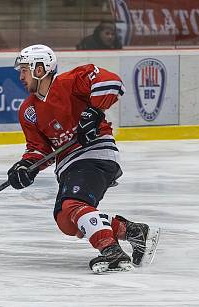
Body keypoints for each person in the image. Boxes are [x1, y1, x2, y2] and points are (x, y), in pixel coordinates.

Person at [9, 44, 155, 273]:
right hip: (69, 164)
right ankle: (133, 231)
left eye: (24, 70)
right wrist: (27, 166)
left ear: (40, 69)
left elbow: (112, 82)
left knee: (72, 205)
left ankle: (112, 252)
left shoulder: (71, 81)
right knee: (66, 220)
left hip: (95, 153)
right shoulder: (28, 110)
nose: (20, 76)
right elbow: (40, 149)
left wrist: (95, 111)